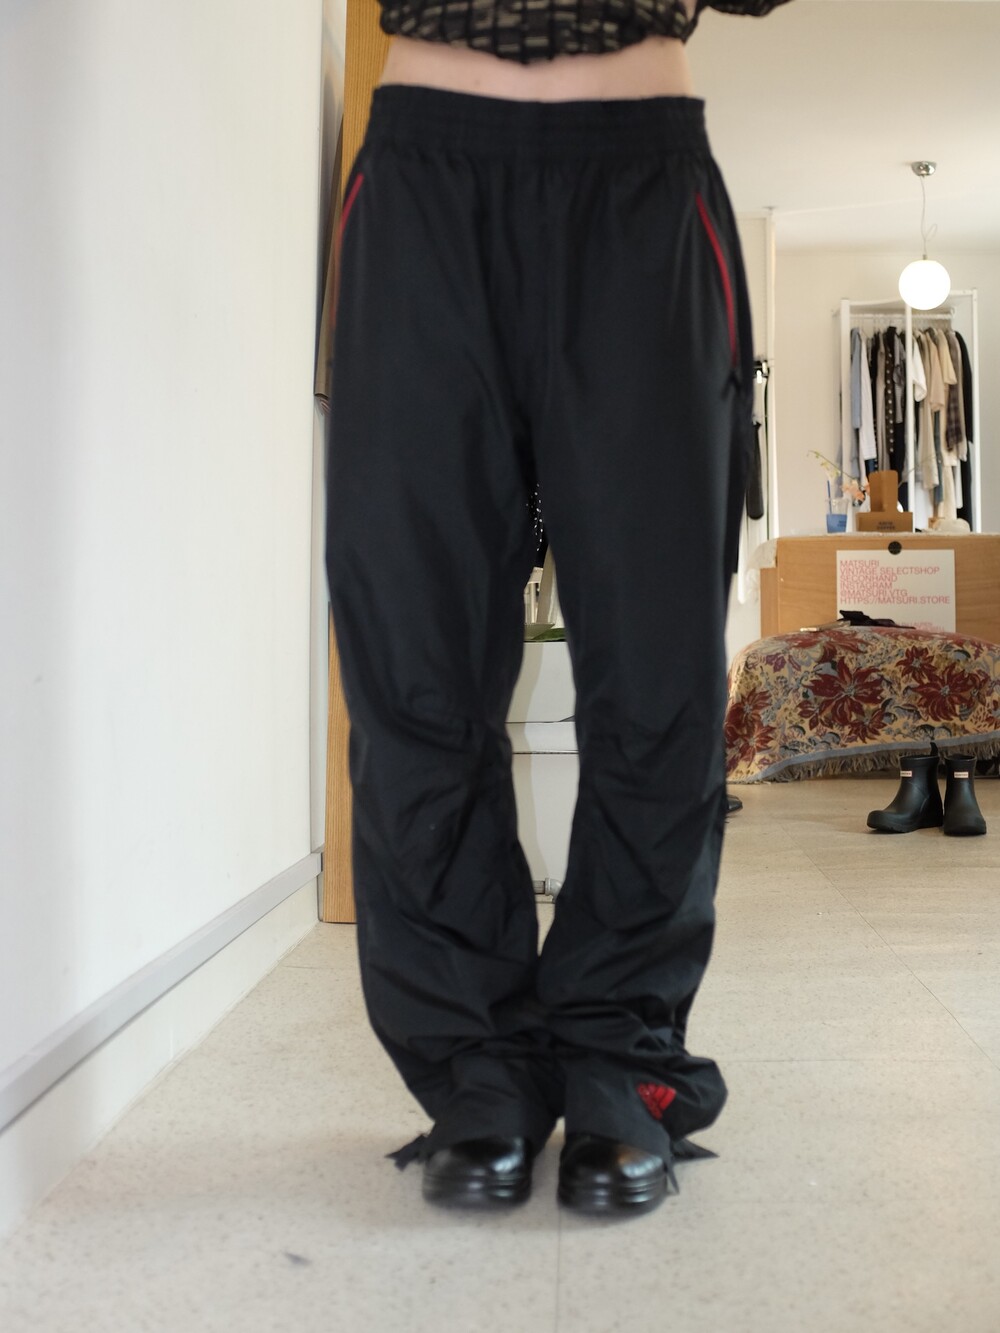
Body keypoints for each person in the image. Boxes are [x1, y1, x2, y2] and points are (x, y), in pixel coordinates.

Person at [326, 0, 792, 1217]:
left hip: (642, 184)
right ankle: (475, 1063)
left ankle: (616, 1053)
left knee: (656, 671)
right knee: (413, 664)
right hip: (422, 179)